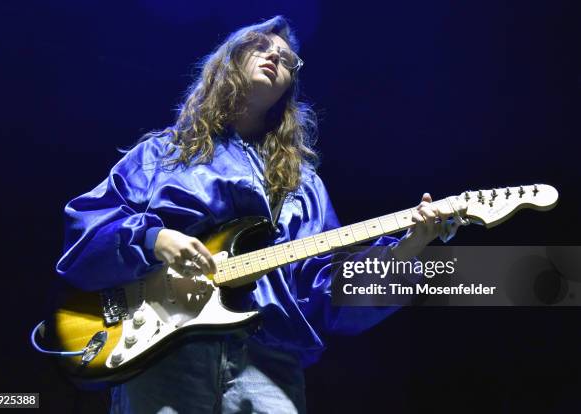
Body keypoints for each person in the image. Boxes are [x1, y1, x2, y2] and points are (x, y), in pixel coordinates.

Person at [56, 15, 464, 414]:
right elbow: (89, 227)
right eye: (260, 46)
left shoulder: (304, 186)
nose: (274, 57)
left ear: (289, 87)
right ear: (229, 61)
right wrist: (155, 240)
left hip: (270, 363)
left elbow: (327, 286)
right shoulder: (164, 153)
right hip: (165, 353)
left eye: (287, 59)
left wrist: (410, 245)